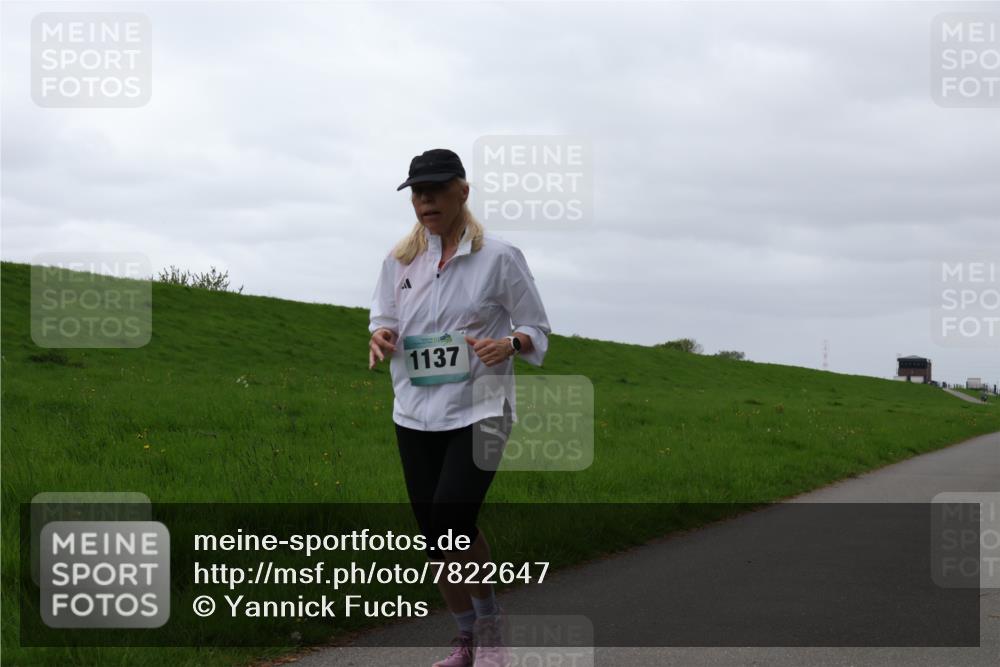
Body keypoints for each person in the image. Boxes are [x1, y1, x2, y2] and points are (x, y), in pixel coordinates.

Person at [368, 148, 551, 667]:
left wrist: (509, 344)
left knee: (453, 516)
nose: (426, 200)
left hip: (480, 408)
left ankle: (492, 630)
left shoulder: (500, 257)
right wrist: (380, 336)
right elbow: (383, 318)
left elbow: (535, 326)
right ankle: (466, 638)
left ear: (462, 192)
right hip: (414, 411)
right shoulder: (399, 260)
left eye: (437, 190)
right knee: (435, 536)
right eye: (417, 192)